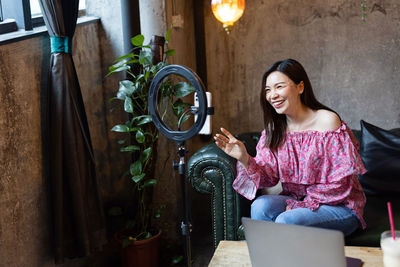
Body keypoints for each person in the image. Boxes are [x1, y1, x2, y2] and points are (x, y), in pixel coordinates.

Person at [214, 58, 366, 236]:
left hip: (340, 206)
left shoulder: (327, 121)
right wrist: (244, 158)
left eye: (279, 87)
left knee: (287, 220)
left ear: (300, 87)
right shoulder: (275, 130)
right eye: (268, 90)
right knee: (260, 206)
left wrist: (299, 206)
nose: (272, 95)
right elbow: (268, 178)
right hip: (298, 202)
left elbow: (340, 184)